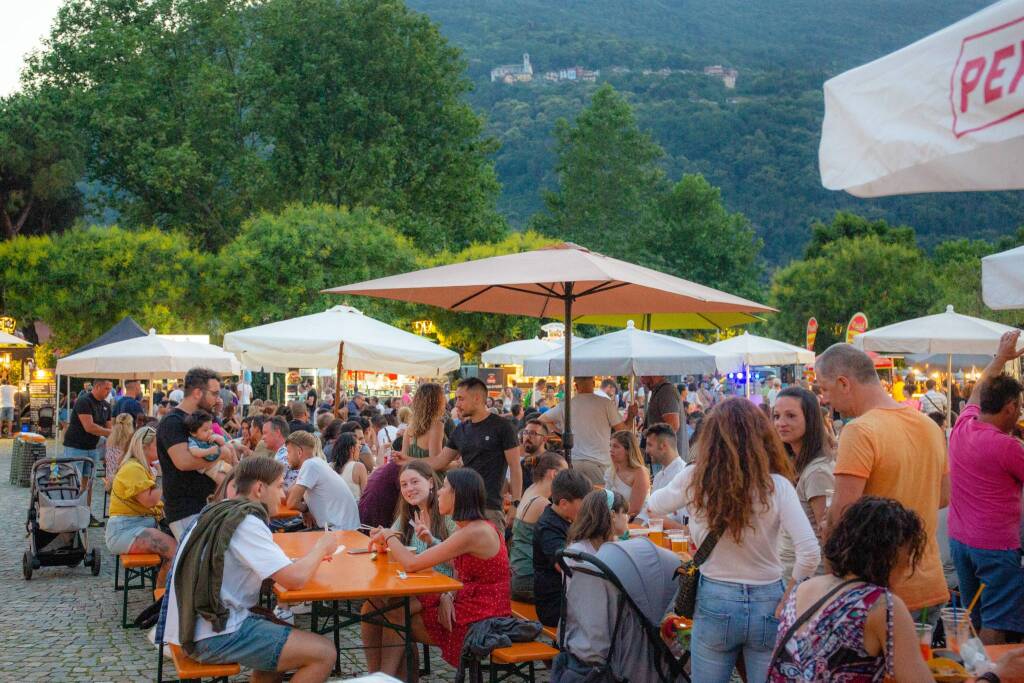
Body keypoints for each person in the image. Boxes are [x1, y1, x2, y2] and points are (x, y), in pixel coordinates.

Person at [647, 398, 820, 683]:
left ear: (711, 437)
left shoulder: (695, 478)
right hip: (769, 597)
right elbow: (810, 553)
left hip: (716, 596)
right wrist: (790, 594)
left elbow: (656, 503)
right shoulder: (778, 485)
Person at [769, 497, 1024, 683]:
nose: (909, 565)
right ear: (893, 554)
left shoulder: (805, 588)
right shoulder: (880, 605)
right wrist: (995, 675)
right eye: (909, 554)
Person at [163, 456, 338, 682]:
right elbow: (293, 580)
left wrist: (301, 562)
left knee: (280, 644)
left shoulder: (220, 511)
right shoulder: (246, 521)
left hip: (192, 625)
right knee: (323, 653)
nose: (283, 494)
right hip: (211, 634)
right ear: (258, 488)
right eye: (280, 486)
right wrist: (321, 548)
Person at [817, 343, 950, 623]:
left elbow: (843, 514)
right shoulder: (929, 425)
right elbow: (944, 497)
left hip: (878, 590)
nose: (824, 399)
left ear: (844, 383)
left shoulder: (859, 430)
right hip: (929, 583)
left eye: (825, 389)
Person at [368, 468, 511, 669]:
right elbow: (457, 564)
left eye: (444, 488)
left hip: (484, 614)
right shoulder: (472, 527)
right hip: (471, 599)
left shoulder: (474, 531)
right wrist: (432, 542)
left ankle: (385, 677)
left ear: (458, 495)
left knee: (395, 614)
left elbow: (411, 564)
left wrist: (389, 535)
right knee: (387, 607)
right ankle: (385, 676)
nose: (439, 492)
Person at [948, 330, 1024, 644]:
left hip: (960, 541)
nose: (1020, 412)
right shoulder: (1008, 447)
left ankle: (971, 674)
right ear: (1009, 408)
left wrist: (1002, 357)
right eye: (1019, 407)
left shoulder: (962, 426)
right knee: (997, 620)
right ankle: (989, 676)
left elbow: (977, 390)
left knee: (975, 616)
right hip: (996, 546)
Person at [361, 460, 457, 677]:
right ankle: (374, 674)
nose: (409, 488)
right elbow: (391, 541)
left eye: (415, 482)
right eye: (404, 485)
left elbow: (461, 561)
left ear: (431, 482)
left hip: (441, 588)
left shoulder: (447, 513)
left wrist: (449, 594)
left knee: (394, 610)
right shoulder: (408, 514)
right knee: (370, 606)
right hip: (415, 584)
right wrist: (382, 540)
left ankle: (383, 678)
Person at [411, 378, 522, 531]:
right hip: (462, 507)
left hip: (489, 508)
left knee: (491, 554)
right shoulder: (461, 429)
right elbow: (439, 461)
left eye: (461, 399)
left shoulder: (502, 427)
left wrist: (516, 504)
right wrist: (408, 461)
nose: (457, 404)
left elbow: (515, 468)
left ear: (477, 398)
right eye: (457, 399)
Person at [157, 368, 238, 540]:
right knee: (198, 562)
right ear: (197, 393)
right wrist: (220, 453)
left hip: (205, 505)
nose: (218, 399)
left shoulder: (203, 419)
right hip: (185, 510)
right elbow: (184, 461)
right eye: (214, 394)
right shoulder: (173, 422)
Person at [772, 386, 835, 581]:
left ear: (810, 419)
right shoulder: (794, 464)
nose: (781, 423)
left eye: (791, 416)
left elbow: (828, 534)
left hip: (807, 582)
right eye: (776, 416)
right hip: (789, 576)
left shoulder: (817, 471)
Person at [105, 426, 177, 585]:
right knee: (176, 551)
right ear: (144, 447)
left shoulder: (140, 467)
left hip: (135, 527)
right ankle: (161, 600)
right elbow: (150, 500)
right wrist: (168, 478)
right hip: (125, 531)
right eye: (157, 445)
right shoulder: (133, 468)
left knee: (176, 548)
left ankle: (163, 593)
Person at [539, 376, 629, 486]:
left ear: (576, 386)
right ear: (594, 383)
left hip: (573, 462)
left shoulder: (566, 405)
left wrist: (561, 433)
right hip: (599, 464)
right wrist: (631, 417)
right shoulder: (606, 403)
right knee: (598, 501)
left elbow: (541, 420)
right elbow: (623, 431)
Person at [533, 469, 592, 627]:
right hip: (555, 606)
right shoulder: (548, 527)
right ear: (564, 503)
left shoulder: (566, 519)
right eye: (584, 505)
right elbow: (565, 566)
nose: (587, 510)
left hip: (571, 597)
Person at [510, 452, 568, 602]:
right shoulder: (542, 504)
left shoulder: (530, 490)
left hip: (519, 575)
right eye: (565, 473)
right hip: (528, 580)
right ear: (554, 474)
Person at [284, 430, 359, 530]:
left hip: (340, 531)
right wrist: (305, 510)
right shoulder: (316, 463)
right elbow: (289, 494)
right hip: (342, 528)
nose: (286, 456)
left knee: (288, 536)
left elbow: (291, 502)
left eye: (288, 452)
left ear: (299, 452)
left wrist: (306, 510)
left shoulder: (311, 465)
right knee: (290, 530)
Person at [63, 378, 113, 518]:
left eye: (110, 389)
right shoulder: (84, 401)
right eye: (106, 389)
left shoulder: (107, 406)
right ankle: (71, 514)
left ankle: (86, 513)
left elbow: (110, 428)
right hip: (75, 447)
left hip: (93, 448)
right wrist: (111, 433)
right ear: (97, 387)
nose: (108, 392)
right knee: (74, 482)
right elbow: (89, 427)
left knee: (89, 482)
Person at [640, 423, 688, 528]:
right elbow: (648, 513)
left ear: (664, 446)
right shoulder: (659, 476)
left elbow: (684, 525)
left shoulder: (684, 474)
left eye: (650, 445)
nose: (647, 450)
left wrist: (656, 519)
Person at [639, 374, 688, 462]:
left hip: (667, 460)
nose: (641, 381)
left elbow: (673, 426)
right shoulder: (660, 390)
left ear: (652, 373)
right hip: (663, 458)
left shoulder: (666, 391)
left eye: (643, 376)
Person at [566, 488, 630, 555]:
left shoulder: (617, 546)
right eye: (624, 512)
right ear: (613, 515)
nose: (628, 517)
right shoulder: (578, 552)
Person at [396, 382, 446, 464]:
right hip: (428, 476)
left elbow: (403, 459)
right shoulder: (436, 426)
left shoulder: (410, 427)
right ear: (438, 402)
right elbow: (436, 463)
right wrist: (456, 464)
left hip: (410, 474)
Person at [605, 430, 650, 518]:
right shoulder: (610, 471)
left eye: (616, 446)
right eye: (610, 446)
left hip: (638, 520)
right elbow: (606, 502)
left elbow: (634, 509)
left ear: (628, 450)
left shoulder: (640, 472)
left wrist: (611, 518)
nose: (611, 450)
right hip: (616, 518)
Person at [184, 410, 234, 484]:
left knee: (232, 475)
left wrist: (217, 437)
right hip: (209, 467)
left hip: (219, 461)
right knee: (224, 482)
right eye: (205, 430)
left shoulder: (210, 436)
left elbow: (223, 442)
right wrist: (209, 451)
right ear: (193, 433)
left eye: (210, 428)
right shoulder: (193, 441)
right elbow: (195, 452)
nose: (210, 431)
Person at [330, 432, 368, 501]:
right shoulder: (358, 467)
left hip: (332, 510)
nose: (360, 451)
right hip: (353, 510)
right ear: (352, 449)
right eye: (359, 447)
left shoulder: (329, 466)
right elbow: (365, 498)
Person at [103, 413, 136, 491]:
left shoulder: (109, 440)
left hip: (110, 481)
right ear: (130, 424)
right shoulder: (131, 440)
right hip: (124, 481)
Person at [261, 416, 295, 489]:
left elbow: (269, 485)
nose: (262, 437)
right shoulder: (286, 451)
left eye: (265, 433)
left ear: (277, 433)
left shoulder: (285, 454)